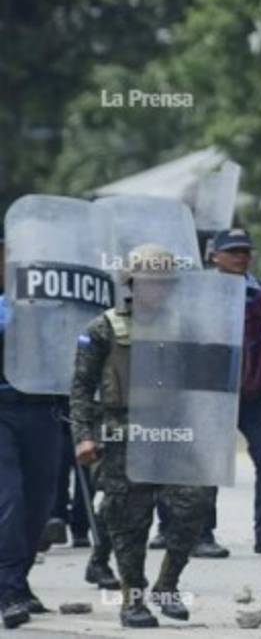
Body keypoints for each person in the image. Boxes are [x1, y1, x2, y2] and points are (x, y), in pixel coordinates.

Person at [70, 245, 211, 627]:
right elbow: (81, 388)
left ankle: (167, 585)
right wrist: (84, 435)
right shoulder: (104, 327)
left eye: (164, 281)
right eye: (149, 280)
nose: (157, 287)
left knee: (195, 504)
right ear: (132, 281)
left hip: (172, 433)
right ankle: (132, 600)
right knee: (130, 521)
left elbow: (202, 382)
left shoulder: (183, 327)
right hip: (123, 433)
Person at [190, 229, 261, 556]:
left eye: (245, 251)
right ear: (214, 256)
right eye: (232, 251)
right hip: (212, 394)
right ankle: (202, 535)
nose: (240, 257)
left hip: (256, 393)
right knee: (209, 464)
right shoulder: (198, 292)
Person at [0, 224, 64, 629]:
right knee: (10, 499)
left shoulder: (45, 298)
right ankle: (8, 590)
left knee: (40, 502)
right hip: (2, 405)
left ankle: (17, 582)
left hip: (42, 405)